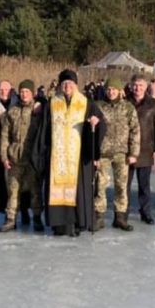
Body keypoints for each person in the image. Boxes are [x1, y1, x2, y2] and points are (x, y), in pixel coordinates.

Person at [32, 69, 106, 237]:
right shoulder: (51, 103)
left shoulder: (87, 102)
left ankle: (77, 224)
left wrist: (94, 124)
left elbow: (100, 124)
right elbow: (44, 129)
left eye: (70, 84)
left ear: (76, 85)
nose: (67, 87)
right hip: (56, 157)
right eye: (64, 84)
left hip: (78, 158)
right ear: (60, 85)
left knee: (78, 192)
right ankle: (59, 226)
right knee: (56, 190)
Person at [94, 78, 140, 231]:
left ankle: (120, 217)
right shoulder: (99, 106)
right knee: (100, 185)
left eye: (114, 89)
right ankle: (99, 216)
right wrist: (94, 154)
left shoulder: (128, 108)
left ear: (120, 91)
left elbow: (135, 130)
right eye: (108, 89)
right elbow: (92, 131)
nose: (111, 92)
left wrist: (134, 152)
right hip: (103, 153)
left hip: (122, 153)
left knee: (121, 186)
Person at [0, 80, 44, 232]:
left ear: (33, 94)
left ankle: (37, 218)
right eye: (22, 91)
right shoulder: (12, 112)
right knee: (13, 190)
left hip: (32, 157)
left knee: (35, 190)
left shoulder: (39, 111)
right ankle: (11, 219)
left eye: (27, 91)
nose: (24, 94)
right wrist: (4, 157)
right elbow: (4, 136)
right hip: (15, 157)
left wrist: (41, 104)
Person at [127, 74, 155, 225]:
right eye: (135, 85)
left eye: (141, 85)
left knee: (144, 185)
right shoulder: (125, 102)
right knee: (125, 185)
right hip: (127, 149)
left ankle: (145, 212)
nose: (138, 88)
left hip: (146, 148)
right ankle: (123, 211)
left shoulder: (153, 104)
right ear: (131, 86)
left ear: (146, 86)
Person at [0, 79, 17, 214]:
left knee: (15, 179)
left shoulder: (18, 105)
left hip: (14, 146)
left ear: (11, 91)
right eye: (1, 90)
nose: (3, 92)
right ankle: (1, 207)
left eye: (6, 90)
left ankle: (18, 206)